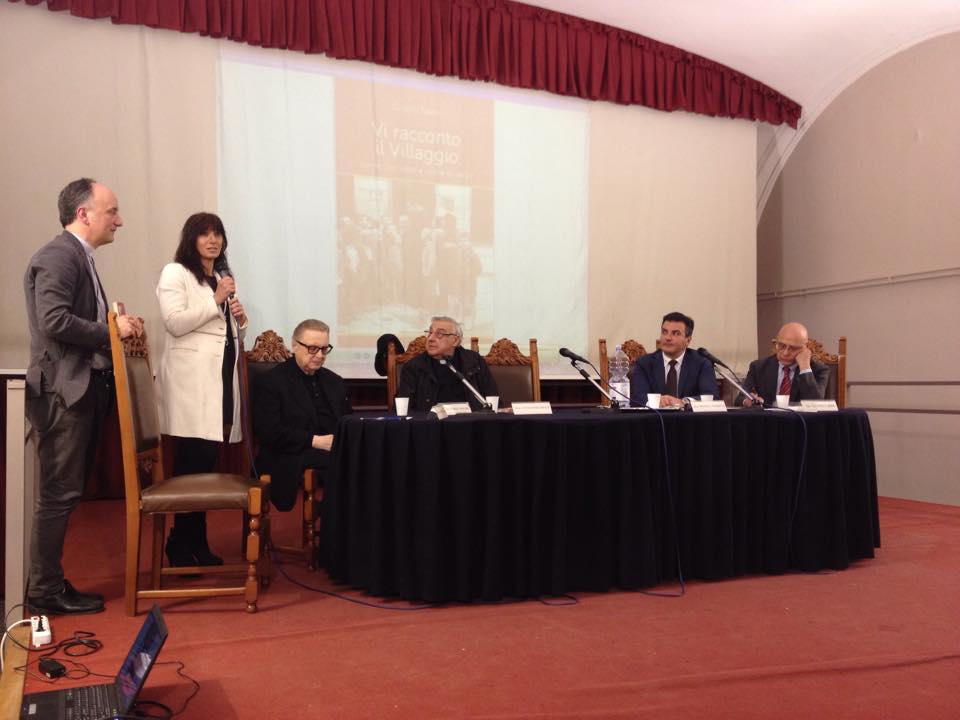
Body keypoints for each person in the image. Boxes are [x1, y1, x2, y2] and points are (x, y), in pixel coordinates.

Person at [24, 178, 143, 614]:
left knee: (65, 492)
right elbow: (53, 321)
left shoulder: (77, 257)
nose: (119, 220)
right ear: (83, 214)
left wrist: (115, 326)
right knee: (59, 493)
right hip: (64, 394)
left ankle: (49, 584)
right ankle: (45, 590)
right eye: (112, 211)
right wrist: (113, 330)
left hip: (79, 392)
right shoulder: (59, 256)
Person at [155, 212, 247, 566]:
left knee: (206, 464)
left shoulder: (220, 278)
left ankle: (196, 540)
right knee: (191, 464)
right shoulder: (175, 272)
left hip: (218, 380)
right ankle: (179, 543)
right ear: (190, 239)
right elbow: (175, 323)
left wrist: (239, 318)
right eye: (204, 234)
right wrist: (216, 300)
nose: (213, 240)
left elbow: (221, 330)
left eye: (218, 234)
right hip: (190, 384)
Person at [253, 319, 353, 512]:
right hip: (288, 454)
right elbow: (270, 433)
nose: (320, 355)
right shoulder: (271, 382)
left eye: (324, 349)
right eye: (313, 348)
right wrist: (316, 441)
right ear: (294, 345)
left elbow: (347, 420)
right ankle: (338, 522)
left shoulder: (334, 381)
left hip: (331, 449)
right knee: (344, 462)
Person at [396, 316, 497, 412]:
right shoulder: (413, 367)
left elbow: (493, 398)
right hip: (431, 422)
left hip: (471, 421)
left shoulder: (474, 361)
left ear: (455, 340)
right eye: (430, 333)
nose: (430, 338)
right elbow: (404, 409)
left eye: (439, 334)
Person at [629, 311, 716, 408]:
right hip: (655, 417)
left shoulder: (701, 363)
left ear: (688, 340)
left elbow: (711, 397)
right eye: (664, 332)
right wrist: (657, 401)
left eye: (675, 333)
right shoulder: (644, 363)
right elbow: (637, 397)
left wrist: (684, 402)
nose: (668, 338)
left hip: (689, 417)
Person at [741, 322, 830, 407]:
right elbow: (740, 397)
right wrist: (747, 401)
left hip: (799, 418)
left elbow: (815, 404)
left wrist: (805, 368)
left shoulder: (819, 370)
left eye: (793, 348)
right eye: (782, 346)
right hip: (768, 417)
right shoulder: (758, 367)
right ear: (776, 343)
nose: (785, 353)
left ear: (806, 347)